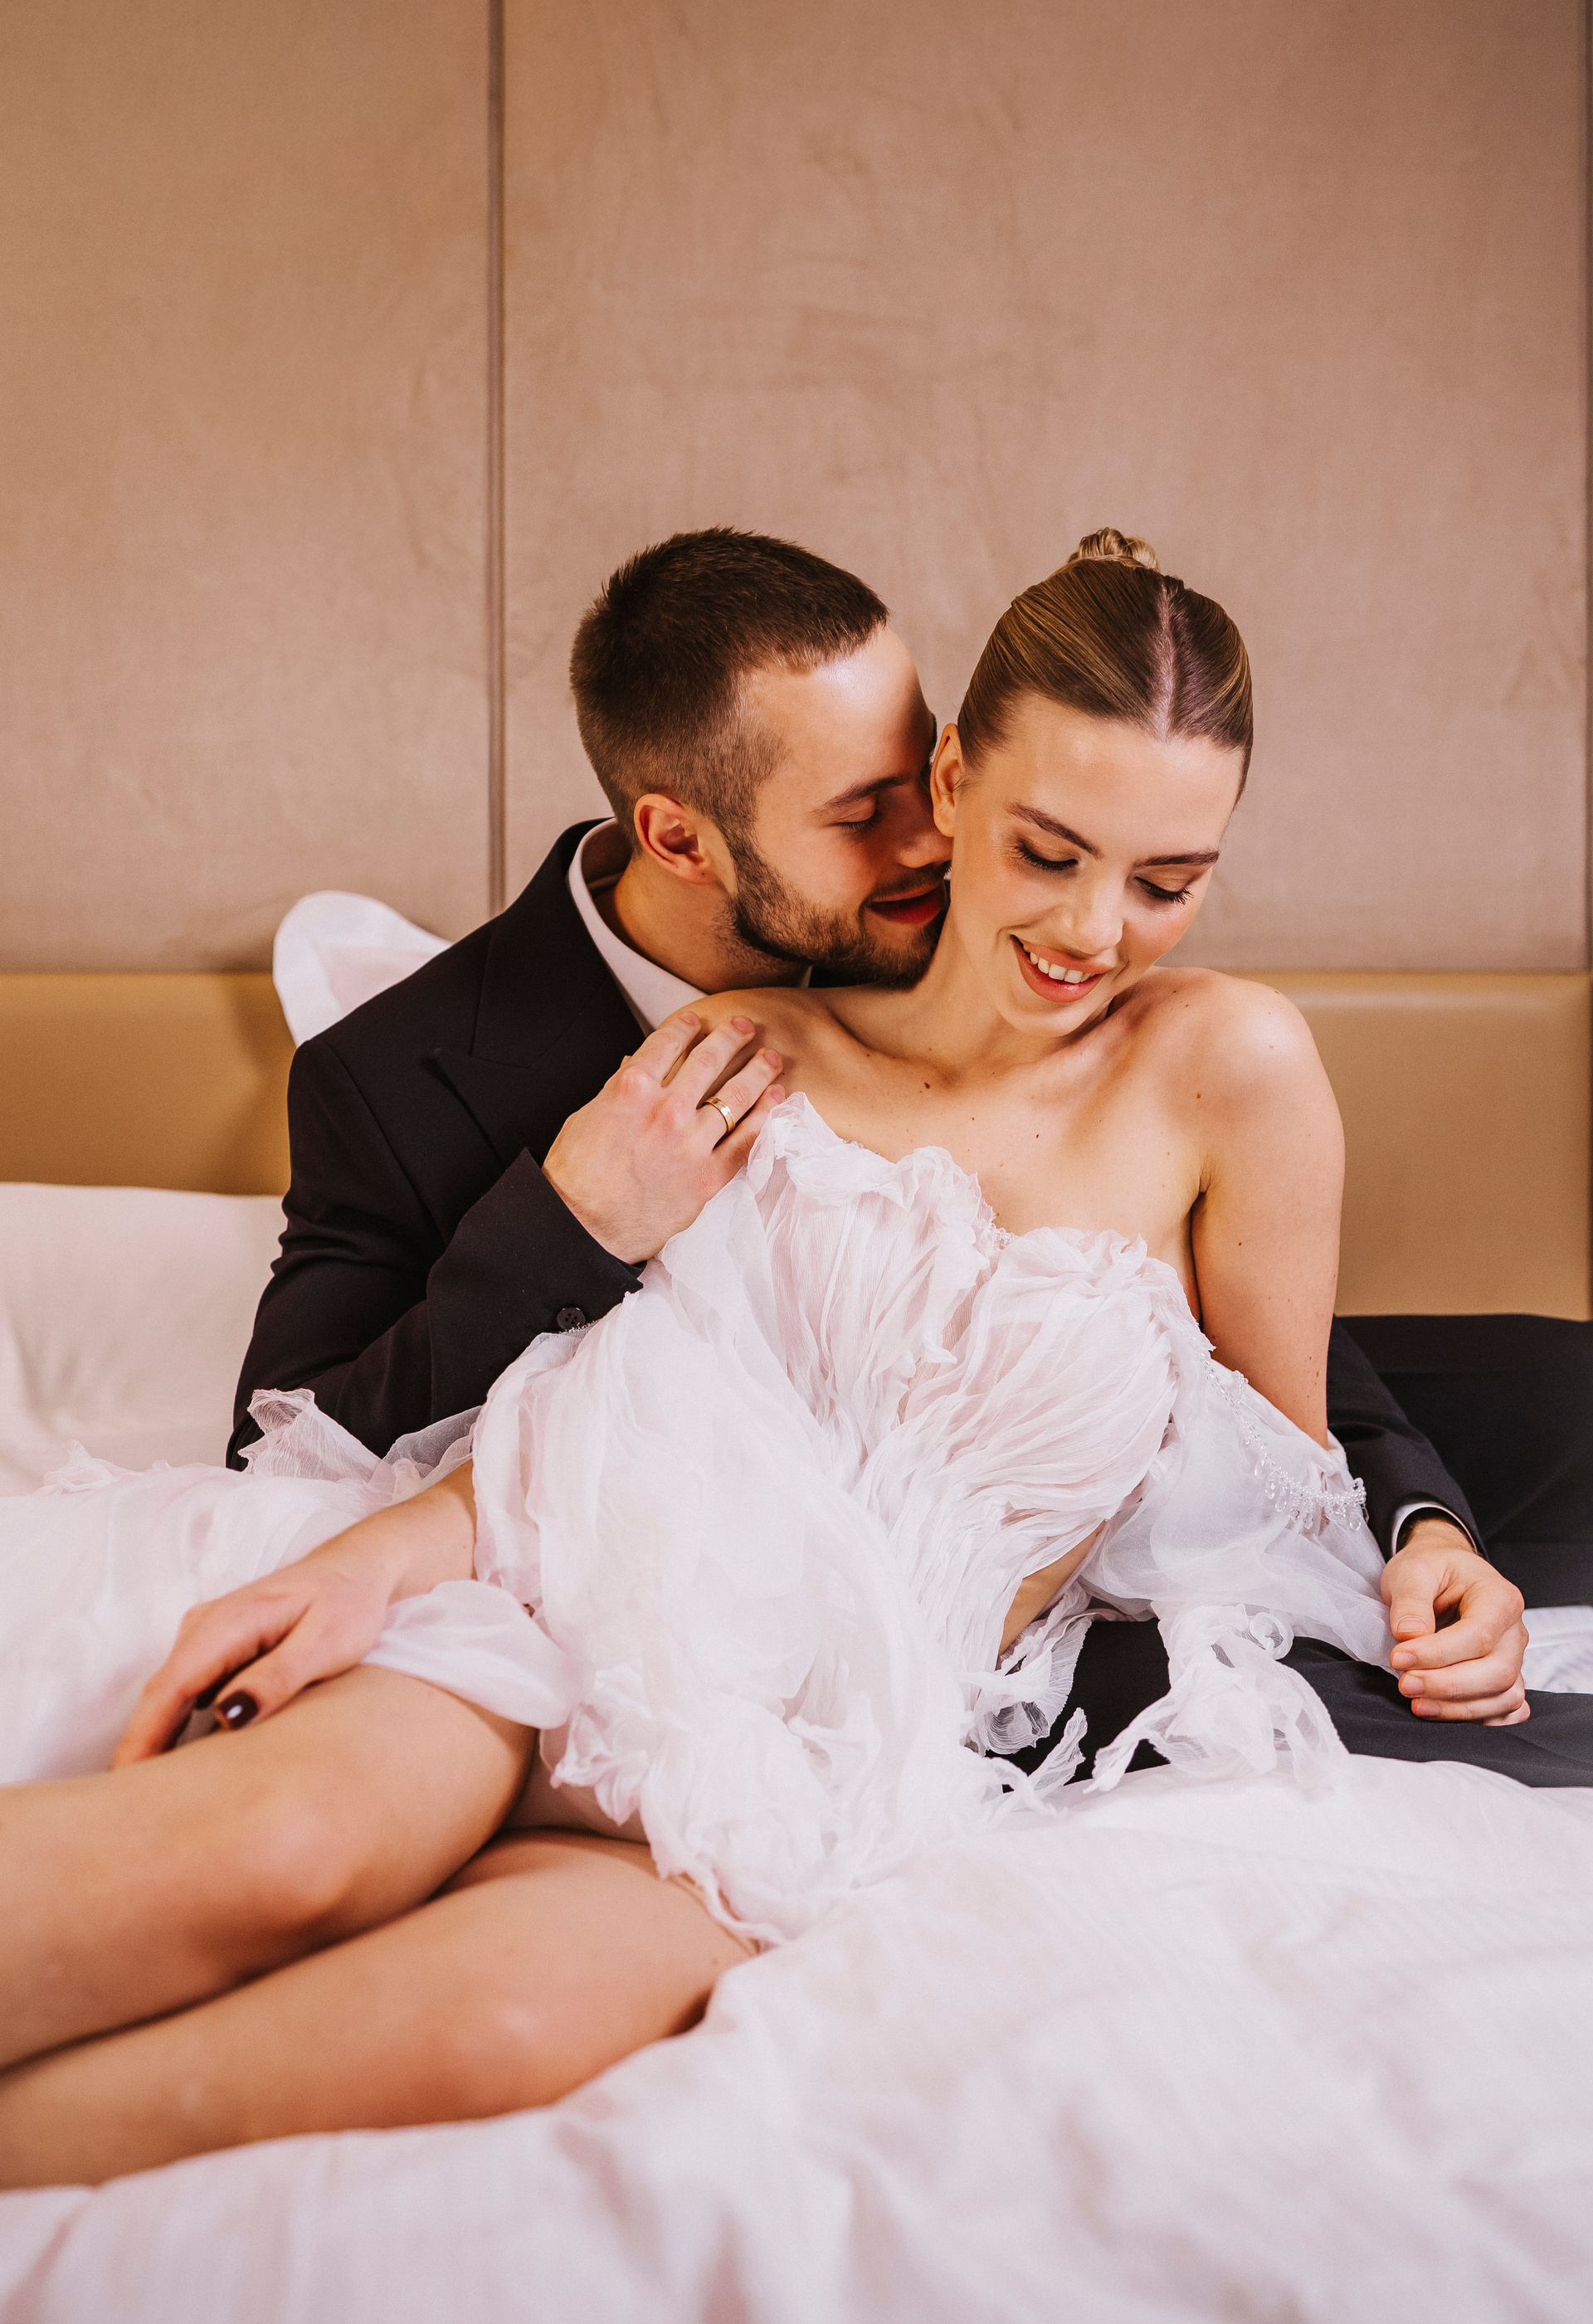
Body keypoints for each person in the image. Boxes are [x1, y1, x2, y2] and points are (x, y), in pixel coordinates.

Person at [3, 531, 1591, 2191]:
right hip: (560, 1608)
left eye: (1168, 880)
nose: (1092, 925)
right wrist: (380, 1544)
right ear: (957, 787)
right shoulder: (720, 1053)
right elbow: (626, 1397)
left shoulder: (1225, 1066)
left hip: (824, 1761)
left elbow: (1282, 1435)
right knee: (285, 1848)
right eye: (1037, 848)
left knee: (501, 2030)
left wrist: (1421, 1538)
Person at [229, 529, 1546, 1757]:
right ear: (679, 837)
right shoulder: (393, 1076)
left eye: (925, 773)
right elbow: (277, 1456)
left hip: (1029, 1535)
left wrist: (1419, 1520)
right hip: (643, 1626)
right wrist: (574, 1224)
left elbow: (1201, 1312)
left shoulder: (1003, 941)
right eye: (864, 812)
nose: (931, 835)